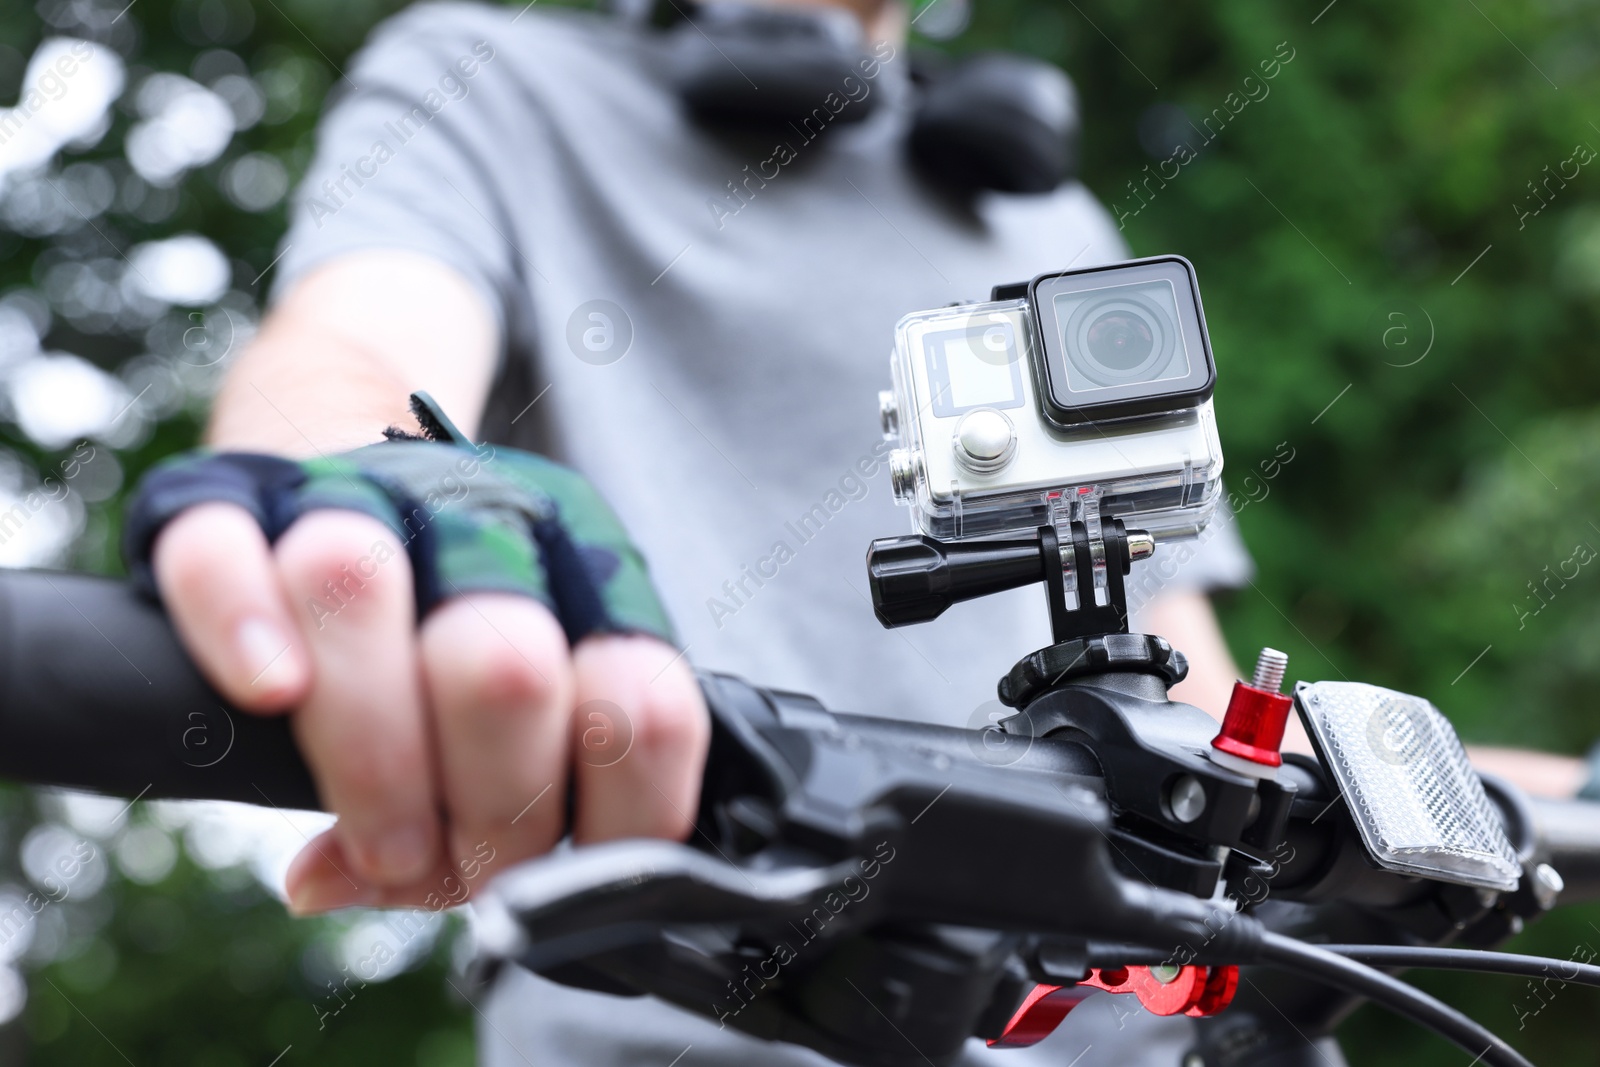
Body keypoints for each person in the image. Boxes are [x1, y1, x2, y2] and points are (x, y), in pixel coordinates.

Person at [134, 0, 1589, 1063]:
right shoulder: (493, 80)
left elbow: (1197, 697)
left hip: (1137, 1030)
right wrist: (397, 489)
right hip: (693, 1022)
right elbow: (350, 349)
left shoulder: (1052, 211)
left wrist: (1565, 784)